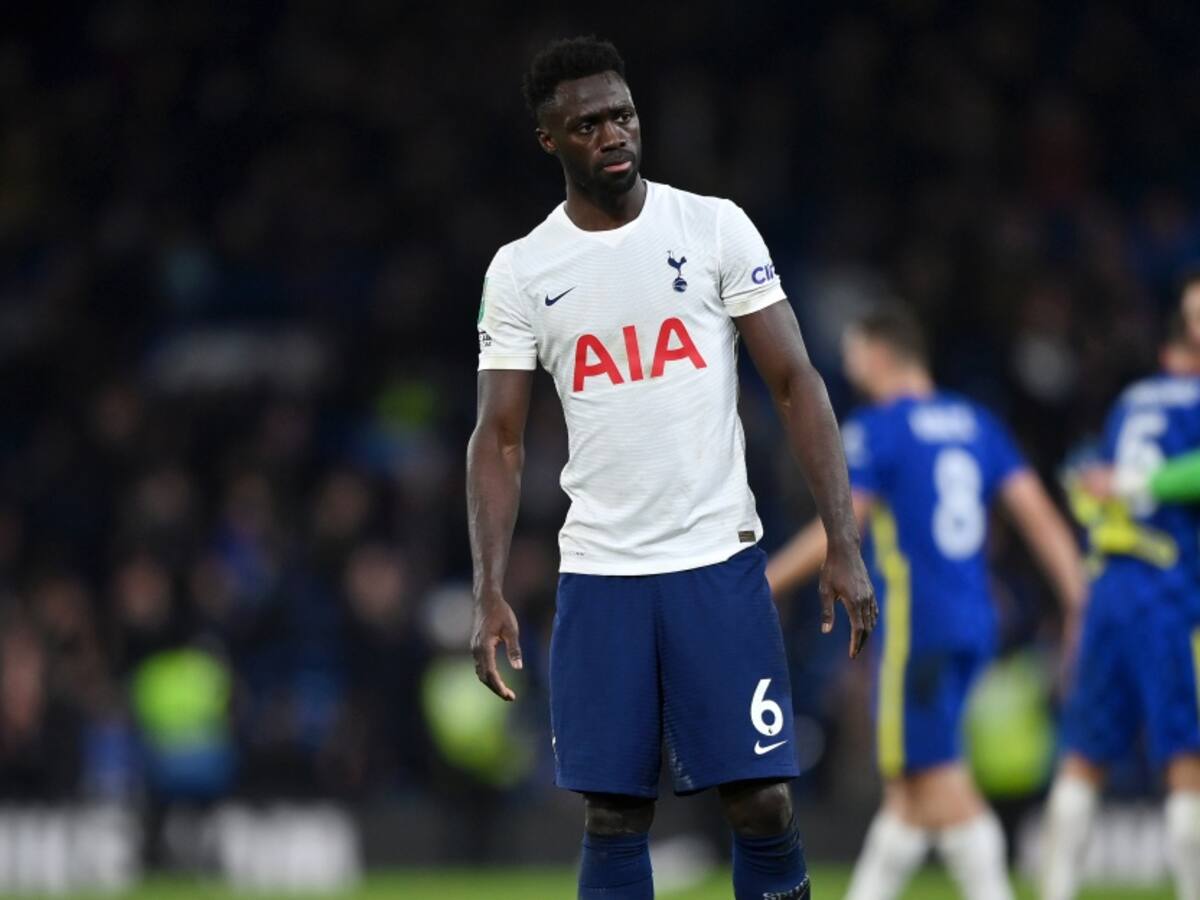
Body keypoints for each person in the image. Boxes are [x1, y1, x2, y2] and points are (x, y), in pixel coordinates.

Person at [466, 36, 877, 900]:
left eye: (623, 114)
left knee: (761, 800)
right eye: (588, 124)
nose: (613, 133)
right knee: (614, 815)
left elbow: (797, 384)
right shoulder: (522, 270)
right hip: (602, 572)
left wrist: (842, 539)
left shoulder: (713, 226)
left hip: (717, 564)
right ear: (551, 141)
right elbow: (498, 437)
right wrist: (489, 588)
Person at [767, 308, 1085, 900]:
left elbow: (840, 528)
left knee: (939, 781)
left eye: (854, 350)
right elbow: (1037, 515)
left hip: (919, 623)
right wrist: (1077, 600)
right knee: (909, 786)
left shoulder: (878, 428)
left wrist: (765, 583)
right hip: (975, 620)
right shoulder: (976, 422)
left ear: (879, 353)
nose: (849, 361)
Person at [1041, 314, 1200, 900]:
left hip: (1108, 583)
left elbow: (1092, 488)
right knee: (1185, 754)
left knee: (1084, 751)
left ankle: (1057, 890)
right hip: (1168, 584)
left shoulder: (1129, 404)